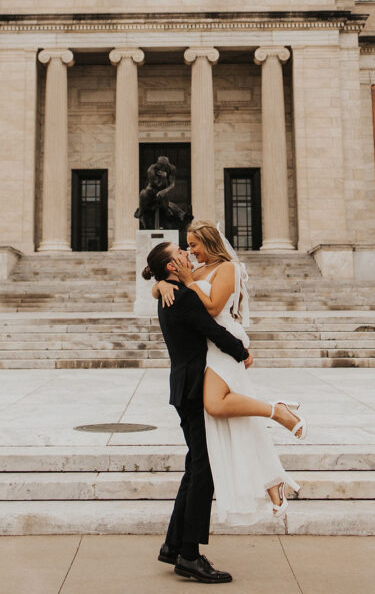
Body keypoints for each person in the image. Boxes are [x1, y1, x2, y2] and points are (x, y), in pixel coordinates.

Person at [153, 220, 305, 529]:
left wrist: (182, 281)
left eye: (193, 244)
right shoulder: (192, 273)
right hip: (211, 348)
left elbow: (209, 309)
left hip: (224, 342)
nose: (190, 251)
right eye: (187, 246)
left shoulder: (228, 268)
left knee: (217, 406)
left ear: (209, 243)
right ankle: (272, 474)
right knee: (234, 421)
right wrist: (161, 285)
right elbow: (166, 287)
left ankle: (277, 412)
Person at [143, 239, 248, 583]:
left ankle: (174, 546)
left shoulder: (169, 294)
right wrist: (242, 352)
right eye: (180, 253)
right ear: (172, 267)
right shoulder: (182, 296)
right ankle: (189, 555)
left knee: (195, 466)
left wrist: (158, 285)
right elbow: (213, 330)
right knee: (204, 469)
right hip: (192, 388)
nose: (188, 253)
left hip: (182, 385)